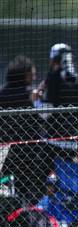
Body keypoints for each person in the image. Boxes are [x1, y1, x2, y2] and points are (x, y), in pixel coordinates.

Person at [0, 55, 49, 205]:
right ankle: (27, 211)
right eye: (32, 73)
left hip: (6, 146)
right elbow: (43, 117)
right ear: (25, 74)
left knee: (7, 182)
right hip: (29, 148)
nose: (33, 76)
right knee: (28, 185)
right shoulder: (30, 94)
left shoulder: (2, 93)